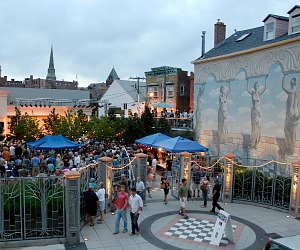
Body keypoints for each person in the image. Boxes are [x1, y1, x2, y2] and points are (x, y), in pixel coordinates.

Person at [246, 78, 267, 150]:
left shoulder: (259, 93)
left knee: (258, 128)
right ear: (254, 86)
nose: (256, 87)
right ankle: (252, 143)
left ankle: (256, 143)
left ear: (258, 86)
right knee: (254, 129)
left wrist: (265, 79)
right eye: (255, 85)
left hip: (258, 113)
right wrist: (247, 81)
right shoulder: (253, 93)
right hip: (254, 112)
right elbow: (247, 89)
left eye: (257, 85)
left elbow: (265, 87)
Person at [282, 75, 300, 156]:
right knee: (293, 132)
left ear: (291, 82)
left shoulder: (290, 91)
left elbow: (282, 86)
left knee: (287, 130)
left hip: (290, 111)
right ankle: (291, 149)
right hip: (297, 111)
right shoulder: (298, 91)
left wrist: (284, 76)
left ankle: (290, 149)